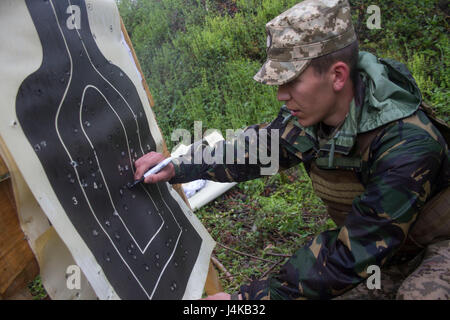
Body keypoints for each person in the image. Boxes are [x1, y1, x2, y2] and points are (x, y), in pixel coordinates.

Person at [134, 0, 450, 300]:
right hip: (388, 247)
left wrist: (246, 298)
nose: (281, 96)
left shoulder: (406, 144)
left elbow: (352, 253)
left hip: (436, 244)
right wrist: (178, 165)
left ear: (338, 75)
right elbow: (257, 149)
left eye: (290, 81)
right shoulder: (313, 115)